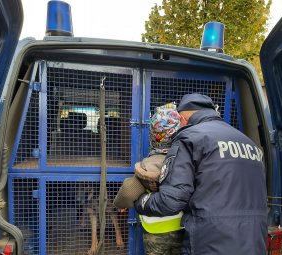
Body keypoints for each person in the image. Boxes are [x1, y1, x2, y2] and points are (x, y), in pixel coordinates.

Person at [134, 93, 268, 255]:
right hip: (254, 242)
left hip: (211, 243)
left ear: (184, 118)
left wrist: (140, 201)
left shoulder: (189, 138)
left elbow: (170, 201)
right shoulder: (248, 143)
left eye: (180, 121)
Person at [114, 103, 184, 255]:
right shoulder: (185, 162)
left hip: (155, 229)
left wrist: (121, 204)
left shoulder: (147, 164)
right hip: (181, 226)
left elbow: (127, 191)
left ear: (152, 135)